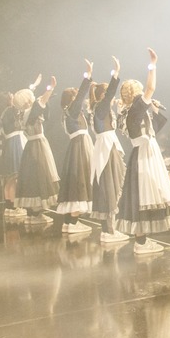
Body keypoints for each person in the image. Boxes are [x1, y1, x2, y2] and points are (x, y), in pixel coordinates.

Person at [114, 49, 170, 254]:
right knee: (143, 194)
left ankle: (141, 241)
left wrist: (153, 108)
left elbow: (151, 129)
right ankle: (141, 243)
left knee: (142, 195)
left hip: (145, 151)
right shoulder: (134, 110)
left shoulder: (131, 111)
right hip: (144, 154)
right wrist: (153, 64)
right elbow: (151, 87)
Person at [88, 59, 127, 244]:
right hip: (106, 149)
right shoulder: (100, 107)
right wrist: (116, 73)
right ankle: (109, 231)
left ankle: (109, 229)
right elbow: (110, 92)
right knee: (109, 186)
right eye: (108, 95)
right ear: (103, 95)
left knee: (109, 185)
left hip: (107, 146)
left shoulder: (101, 109)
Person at [55, 61, 96, 235]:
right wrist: (88, 76)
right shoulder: (71, 111)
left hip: (78, 146)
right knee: (79, 180)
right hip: (80, 147)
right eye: (75, 96)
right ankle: (73, 221)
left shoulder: (70, 113)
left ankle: (69, 222)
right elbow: (80, 98)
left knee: (76, 181)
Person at [13, 75, 59, 223]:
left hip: (32, 146)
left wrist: (35, 85)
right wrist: (50, 88)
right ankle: (36, 214)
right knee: (39, 176)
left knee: (32, 177)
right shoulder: (29, 112)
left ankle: (33, 213)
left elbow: (36, 102)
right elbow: (40, 103)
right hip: (37, 146)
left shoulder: (22, 113)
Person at [0, 77, 39, 221]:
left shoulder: (4, 113)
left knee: (9, 178)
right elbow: (24, 103)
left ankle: (9, 206)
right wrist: (33, 87)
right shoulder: (11, 111)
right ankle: (14, 206)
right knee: (15, 177)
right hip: (16, 141)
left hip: (10, 143)